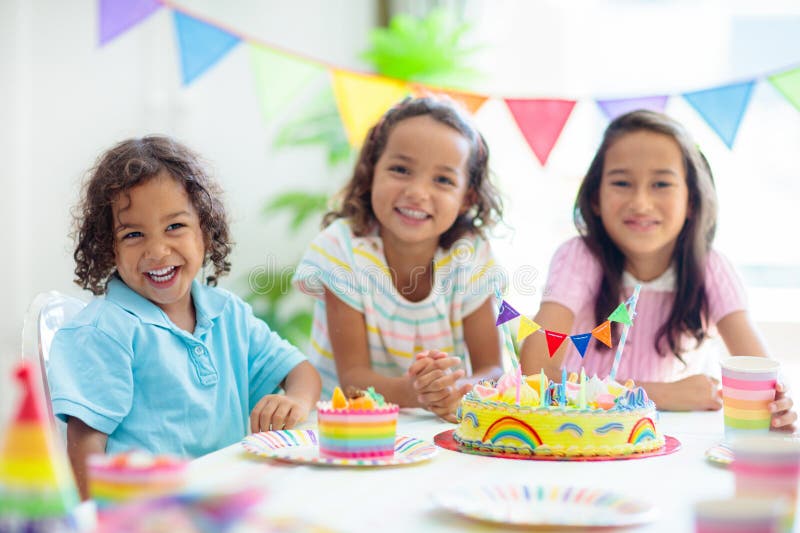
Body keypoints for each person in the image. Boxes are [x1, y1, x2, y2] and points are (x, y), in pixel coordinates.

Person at [48, 136, 321, 498]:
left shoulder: (229, 314)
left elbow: (301, 372)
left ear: (205, 231)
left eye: (175, 226)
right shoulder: (105, 330)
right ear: (108, 246)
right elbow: (85, 447)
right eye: (133, 234)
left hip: (224, 508)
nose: (158, 251)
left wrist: (295, 401)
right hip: (146, 516)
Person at [520, 110, 796, 430]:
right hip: (575, 433)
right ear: (595, 198)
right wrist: (659, 394)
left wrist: (777, 409)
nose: (641, 203)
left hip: (669, 445)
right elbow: (534, 375)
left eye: (661, 184)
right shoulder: (577, 258)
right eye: (622, 182)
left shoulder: (711, 269)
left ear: (691, 200)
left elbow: (761, 378)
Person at [293, 96, 505, 422]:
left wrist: (458, 389)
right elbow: (354, 381)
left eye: (443, 180)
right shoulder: (342, 248)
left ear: (467, 198)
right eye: (401, 169)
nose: (417, 192)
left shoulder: (470, 255)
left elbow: (492, 369)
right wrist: (417, 392)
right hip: (344, 426)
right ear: (370, 172)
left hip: (432, 432)